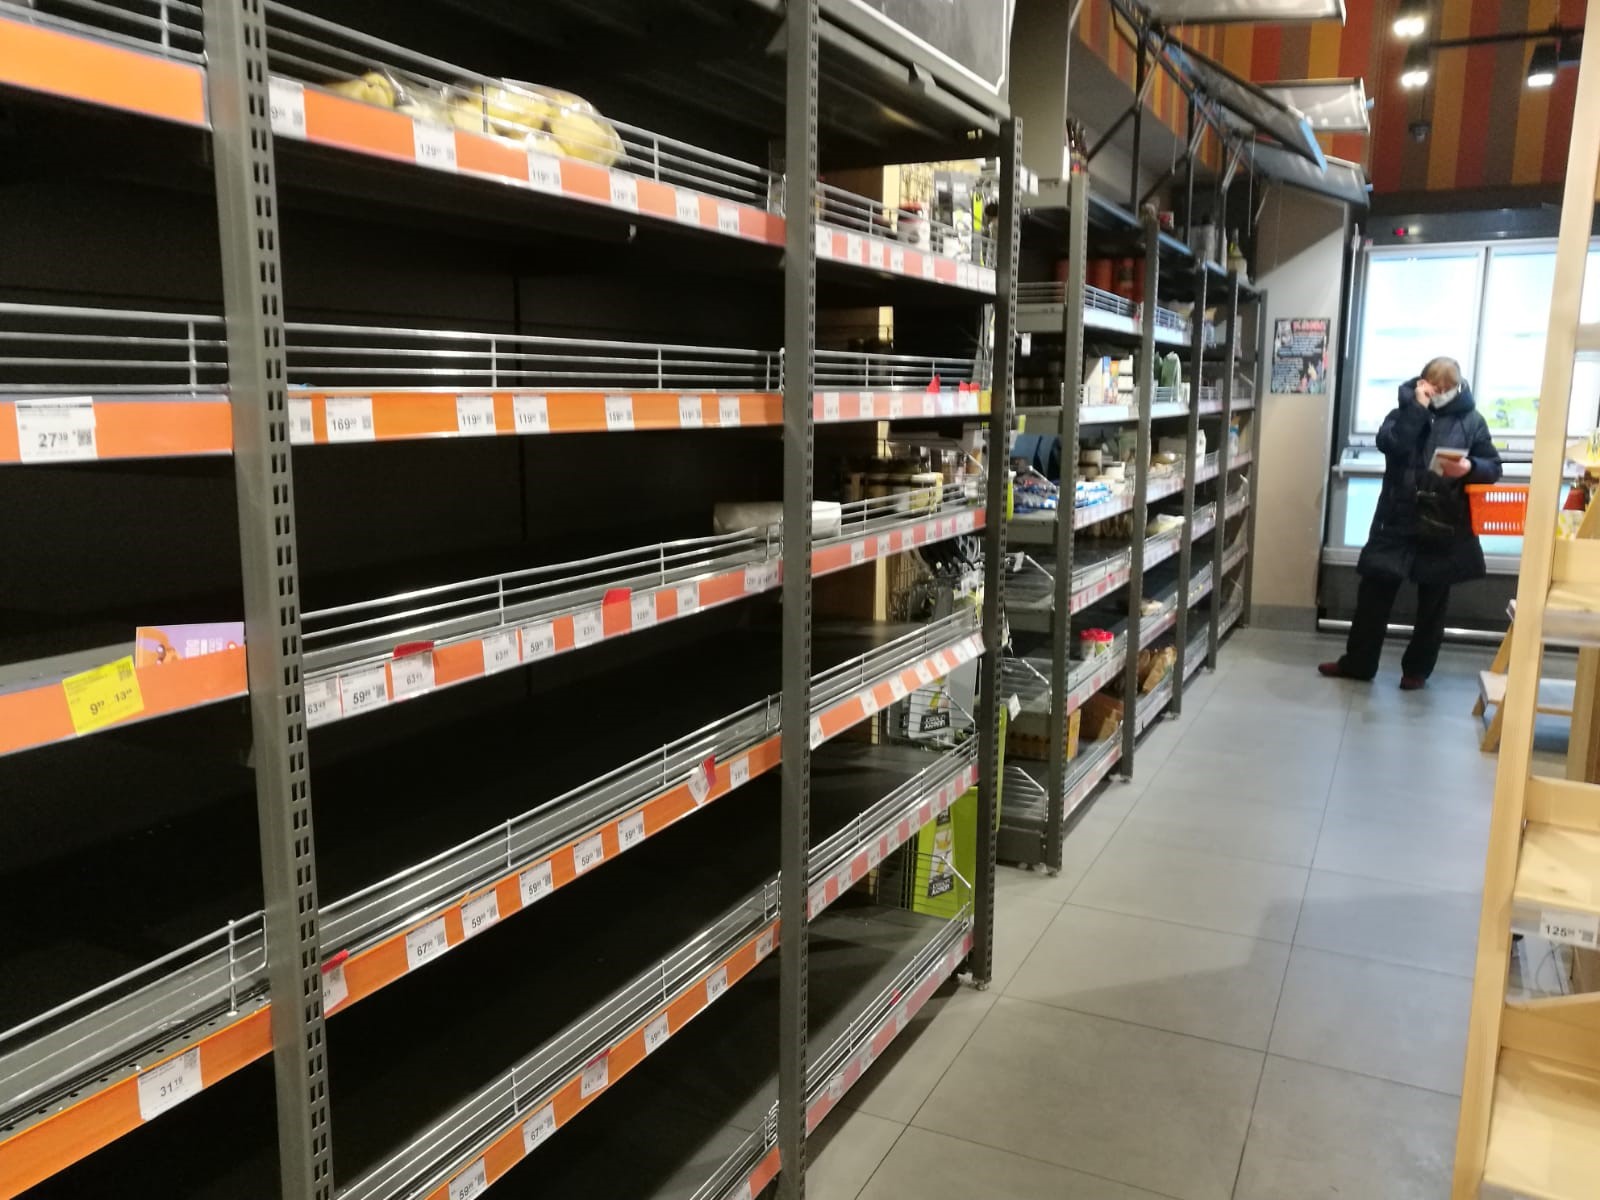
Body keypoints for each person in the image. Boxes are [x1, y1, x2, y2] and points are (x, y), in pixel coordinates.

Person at [1320, 357, 1502, 689]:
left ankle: (1417, 670)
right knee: (1373, 595)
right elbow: (1391, 444)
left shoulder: (1472, 421)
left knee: (1433, 603)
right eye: (1435, 387)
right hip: (1396, 517)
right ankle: (1359, 663)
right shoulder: (1401, 413)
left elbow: (1492, 467)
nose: (1441, 393)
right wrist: (1417, 409)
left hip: (1443, 522)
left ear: (1458, 387)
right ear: (1422, 383)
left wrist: (1470, 467)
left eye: (1448, 388)